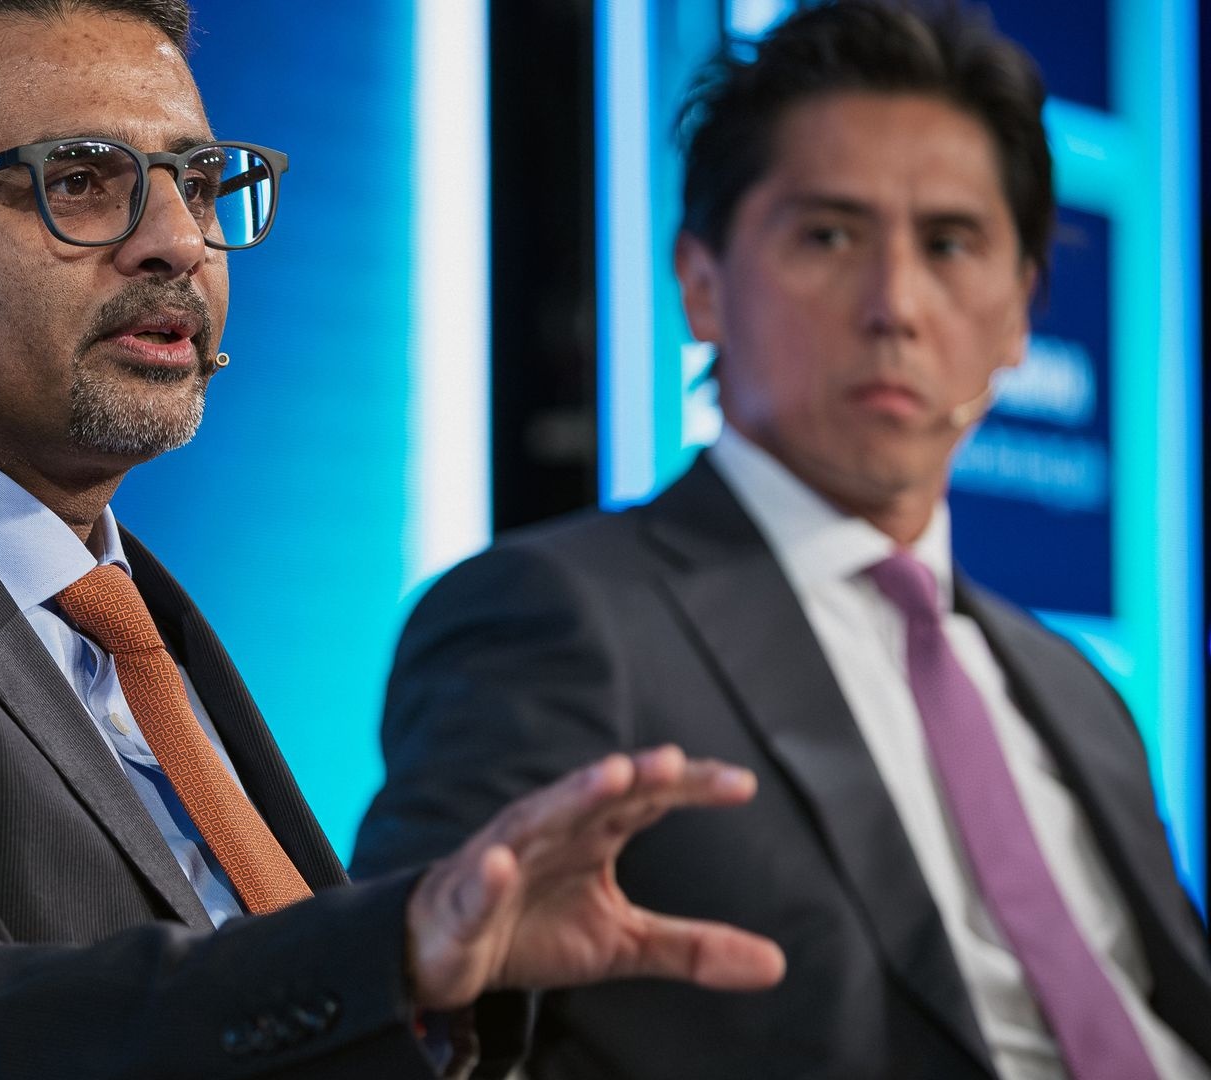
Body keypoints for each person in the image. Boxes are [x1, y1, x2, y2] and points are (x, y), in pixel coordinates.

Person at [0, 2, 784, 1077]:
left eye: (198, 180)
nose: (180, 240)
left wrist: (452, 979)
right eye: (79, 181)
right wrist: (388, 948)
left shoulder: (129, 611)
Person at [352, 2, 1211, 1077]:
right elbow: (411, 1006)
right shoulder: (551, 619)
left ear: (1019, 313)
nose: (896, 305)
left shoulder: (1076, 689)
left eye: (951, 245)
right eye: (829, 236)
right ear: (701, 283)